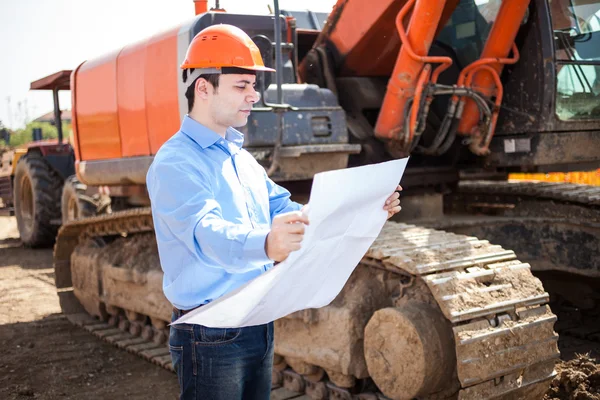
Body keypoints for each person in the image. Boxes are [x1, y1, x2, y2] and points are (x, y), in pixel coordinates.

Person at [146, 24, 402, 400]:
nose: (254, 96)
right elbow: (207, 233)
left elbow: (289, 210)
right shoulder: (176, 162)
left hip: (256, 321)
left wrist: (364, 207)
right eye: (241, 86)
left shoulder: (242, 159)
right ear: (203, 88)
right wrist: (266, 243)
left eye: (254, 86)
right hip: (209, 331)